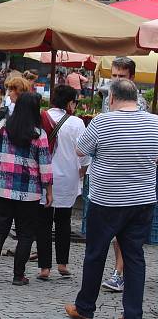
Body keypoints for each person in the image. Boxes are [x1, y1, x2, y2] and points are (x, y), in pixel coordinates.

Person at [65, 79, 158, 319]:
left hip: (106, 200)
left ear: (112, 98)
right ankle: (133, 314)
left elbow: (80, 150)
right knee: (135, 257)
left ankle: (85, 308)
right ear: (136, 97)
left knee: (96, 253)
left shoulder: (103, 121)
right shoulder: (155, 123)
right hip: (142, 200)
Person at [0, 91, 53, 286]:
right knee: (26, 233)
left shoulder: (2, 128)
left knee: (0, 230)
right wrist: (49, 192)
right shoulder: (39, 134)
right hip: (29, 193)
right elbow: (45, 167)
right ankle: (18, 275)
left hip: (2, 188)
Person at [99, 56, 148, 293]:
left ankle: (119, 272)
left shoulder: (138, 104)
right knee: (117, 235)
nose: (116, 80)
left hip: (130, 179)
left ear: (131, 78)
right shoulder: (107, 100)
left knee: (125, 236)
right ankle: (119, 271)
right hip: (110, 178)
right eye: (114, 75)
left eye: (121, 76)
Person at [36, 85, 89, 281]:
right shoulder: (76, 123)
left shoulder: (41, 117)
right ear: (69, 102)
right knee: (63, 221)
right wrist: (82, 172)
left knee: (43, 223)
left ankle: (44, 268)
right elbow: (84, 154)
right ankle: (62, 263)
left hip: (44, 176)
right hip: (68, 176)